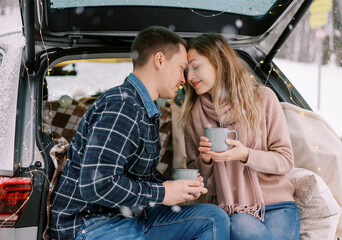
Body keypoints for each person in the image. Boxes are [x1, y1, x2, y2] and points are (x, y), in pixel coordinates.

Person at [50, 26, 230, 240]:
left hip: (128, 215)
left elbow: (138, 176)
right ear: (160, 60)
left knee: (213, 218)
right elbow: (96, 185)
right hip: (90, 222)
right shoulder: (122, 107)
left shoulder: (146, 108)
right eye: (182, 68)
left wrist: (175, 187)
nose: (185, 79)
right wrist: (163, 193)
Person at [181, 33, 300, 240]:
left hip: (277, 205)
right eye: (186, 70)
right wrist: (206, 160)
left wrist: (246, 154)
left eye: (196, 66)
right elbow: (196, 180)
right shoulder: (192, 114)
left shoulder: (262, 99)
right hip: (230, 211)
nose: (189, 76)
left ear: (220, 62)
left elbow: (285, 161)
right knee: (240, 222)